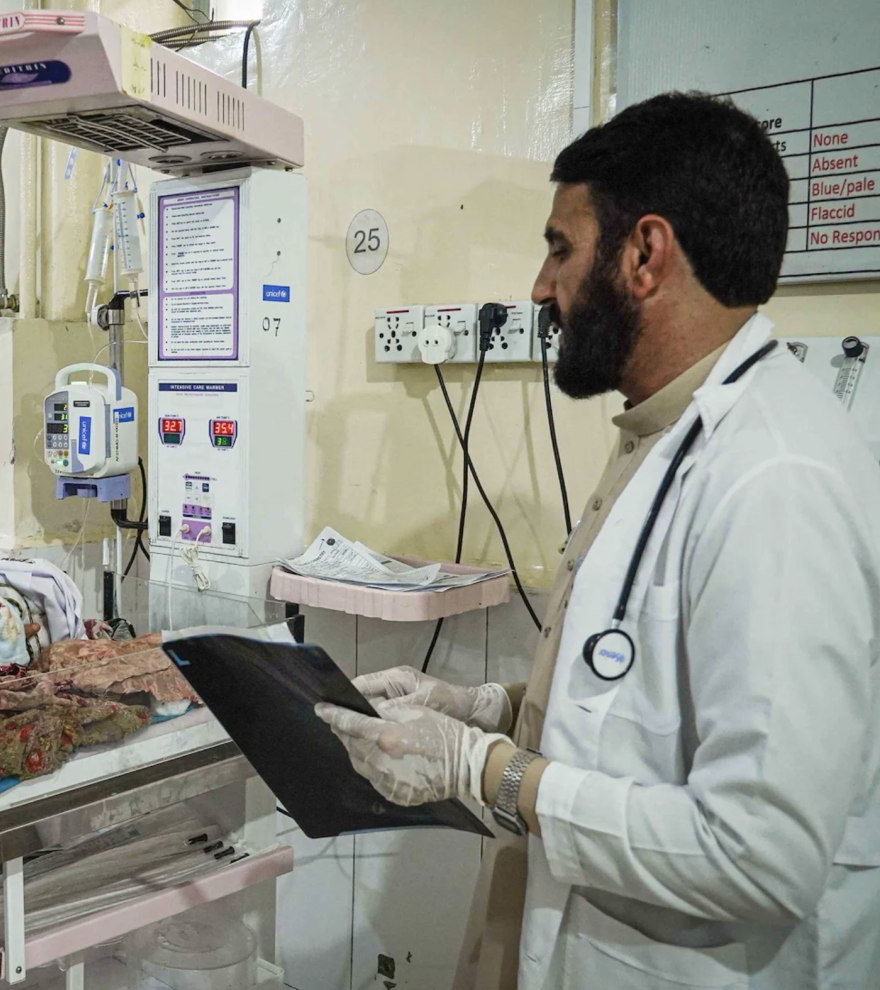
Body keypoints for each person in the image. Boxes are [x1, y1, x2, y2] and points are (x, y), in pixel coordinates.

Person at [315, 92, 880, 989]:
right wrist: (485, 707)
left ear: (644, 255)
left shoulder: (775, 479)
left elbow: (764, 852)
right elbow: (643, 689)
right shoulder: (671, 433)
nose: (542, 287)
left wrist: (485, 770)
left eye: (559, 247)